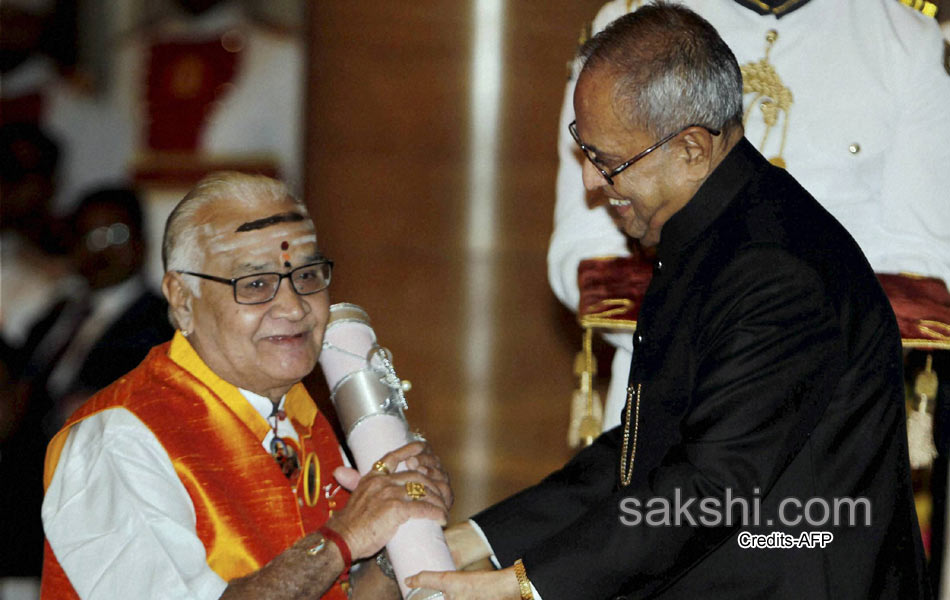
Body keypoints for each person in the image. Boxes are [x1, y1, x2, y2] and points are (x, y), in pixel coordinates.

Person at [409, 4, 930, 598]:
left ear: (690, 149)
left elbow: (707, 494)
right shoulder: (714, 226)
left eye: (607, 162)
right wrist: (478, 539)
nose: (588, 184)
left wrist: (524, 587)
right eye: (585, 151)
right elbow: (641, 454)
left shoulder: (774, 275)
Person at [40, 172, 453, 599]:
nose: (294, 308)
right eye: (256, 284)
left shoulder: (301, 417)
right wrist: (343, 538)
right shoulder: (121, 437)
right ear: (183, 300)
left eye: (308, 276)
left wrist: (396, 532)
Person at [548, 0, 950, 432]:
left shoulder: (905, 40)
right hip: (661, 392)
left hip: (830, 410)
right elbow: (587, 251)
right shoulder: (633, 21)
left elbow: (922, 264)